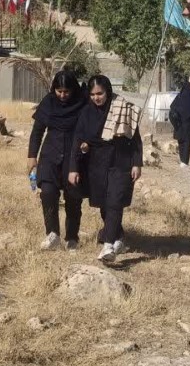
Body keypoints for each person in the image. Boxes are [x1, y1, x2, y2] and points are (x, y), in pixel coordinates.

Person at [71, 75, 142, 262]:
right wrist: (74, 166)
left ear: (107, 91)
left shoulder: (121, 108)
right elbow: (78, 140)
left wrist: (137, 163)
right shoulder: (86, 112)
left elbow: (134, 137)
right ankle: (118, 237)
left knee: (115, 201)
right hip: (97, 163)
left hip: (121, 160)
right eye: (93, 94)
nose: (96, 98)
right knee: (104, 204)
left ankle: (108, 245)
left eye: (100, 93)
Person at [28, 70, 87, 251]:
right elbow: (38, 131)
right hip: (50, 156)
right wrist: (32, 157)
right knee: (48, 193)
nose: (62, 95)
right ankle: (52, 234)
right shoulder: (48, 102)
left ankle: (72, 238)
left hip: (74, 158)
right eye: (59, 91)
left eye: (66, 91)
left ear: (73, 90)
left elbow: (91, 128)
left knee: (73, 199)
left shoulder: (82, 104)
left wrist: (87, 144)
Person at [169, 81, 190, 168]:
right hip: (188, 125)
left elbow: (172, 107)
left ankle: (182, 160)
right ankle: (185, 161)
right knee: (187, 143)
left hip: (178, 125)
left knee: (180, 142)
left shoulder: (179, 97)